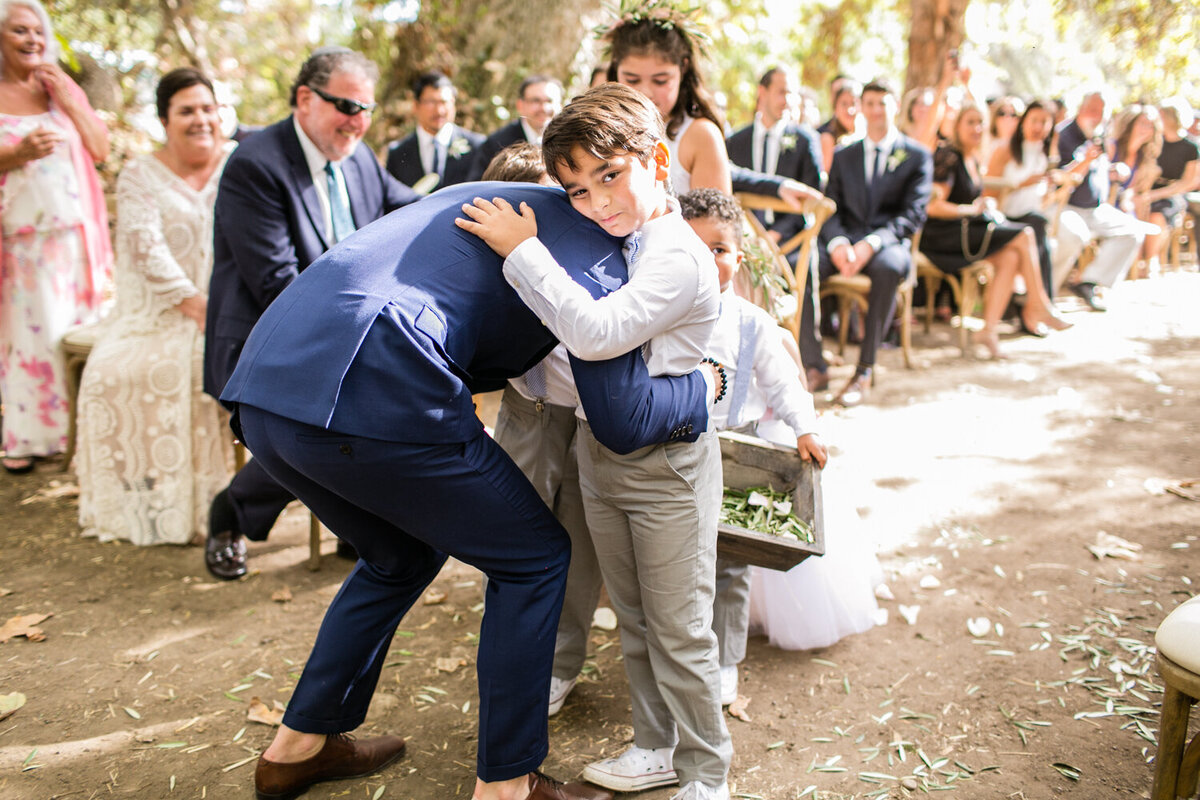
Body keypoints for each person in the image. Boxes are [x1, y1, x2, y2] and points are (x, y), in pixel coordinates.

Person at [223, 174, 713, 800]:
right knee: (535, 557)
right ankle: (508, 782)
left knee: (398, 556)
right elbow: (620, 420)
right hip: (380, 386)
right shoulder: (597, 245)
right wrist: (707, 385)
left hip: (266, 390)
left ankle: (298, 747)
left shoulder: (474, 194)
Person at [460, 84, 731, 800]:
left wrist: (523, 251)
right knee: (637, 621)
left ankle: (708, 774)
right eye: (577, 191)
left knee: (680, 628)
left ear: (658, 159)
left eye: (610, 176)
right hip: (600, 455)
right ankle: (655, 745)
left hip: (667, 466)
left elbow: (597, 331)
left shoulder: (674, 252)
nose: (597, 202)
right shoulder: (625, 235)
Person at [202, 47, 419, 580]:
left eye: (367, 110)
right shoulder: (254, 165)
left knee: (390, 391)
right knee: (353, 405)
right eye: (348, 106)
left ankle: (353, 516)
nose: (359, 122)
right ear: (305, 98)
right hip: (267, 337)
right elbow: (279, 284)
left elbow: (413, 208)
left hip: (341, 329)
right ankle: (232, 509)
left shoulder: (361, 156)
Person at [676, 188, 828, 703]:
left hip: (733, 455)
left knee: (729, 564)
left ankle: (724, 662)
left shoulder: (752, 324)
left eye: (718, 249)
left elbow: (786, 385)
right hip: (672, 451)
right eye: (692, 248)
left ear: (737, 258)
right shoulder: (657, 312)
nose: (706, 259)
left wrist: (804, 428)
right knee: (676, 561)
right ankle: (679, 650)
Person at [76, 68, 234, 546]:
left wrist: (222, 312)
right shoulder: (140, 174)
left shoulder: (240, 163)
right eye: (186, 111)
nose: (200, 119)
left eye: (207, 108)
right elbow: (146, 248)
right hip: (160, 313)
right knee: (110, 376)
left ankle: (222, 509)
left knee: (204, 366)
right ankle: (146, 503)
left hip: (231, 309)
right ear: (165, 119)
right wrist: (195, 306)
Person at [0, 0, 111, 474]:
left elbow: (101, 150)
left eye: (38, 32)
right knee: (29, 339)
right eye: (20, 31)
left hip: (76, 237)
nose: (32, 40)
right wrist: (17, 153)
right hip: (20, 243)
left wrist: (68, 99)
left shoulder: (57, 91)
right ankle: (28, 437)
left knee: (79, 329)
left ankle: (84, 432)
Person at [920, 100, 1070, 358]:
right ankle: (1038, 304)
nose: (977, 128)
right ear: (957, 126)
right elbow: (933, 207)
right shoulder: (949, 155)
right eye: (970, 122)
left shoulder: (973, 159)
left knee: (1011, 257)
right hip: (941, 236)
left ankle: (988, 330)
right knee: (1024, 234)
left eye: (980, 123)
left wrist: (981, 205)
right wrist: (970, 210)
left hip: (964, 232)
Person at [815, 79, 932, 405]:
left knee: (888, 268)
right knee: (806, 261)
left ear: (895, 106)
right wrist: (838, 243)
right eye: (869, 103)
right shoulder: (843, 154)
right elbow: (831, 206)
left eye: (883, 103)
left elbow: (913, 215)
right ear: (861, 108)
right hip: (845, 241)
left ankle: (864, 369)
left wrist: (872, 244)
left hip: (888, 244)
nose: (876, 110)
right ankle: (811, 363)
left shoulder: (917, 156)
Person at [725, 66, 826, 389]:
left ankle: (811, 362)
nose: (789, 99)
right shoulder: (734, 140)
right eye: (782, 91)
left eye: (793, 92)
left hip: (791, 238)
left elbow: (811, 198)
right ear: (762, 92)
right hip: (744, 239)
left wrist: (777, 235)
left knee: (805, 269)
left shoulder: (804, 139)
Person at [1054, 90, 1144, 311]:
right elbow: (1059, 176)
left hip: (1096, 209)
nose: (1097, 115)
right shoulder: (1063, 135)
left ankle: (1089, 281)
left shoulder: (1098, 134)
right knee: (1076, 236)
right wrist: (1085, 161)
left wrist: (1113, 170)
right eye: (1093, 109)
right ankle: (1046, 291)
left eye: (1101, 111)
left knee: (1133, 231)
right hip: (1065, 207)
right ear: (1081, 108)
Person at [985, 99, 1062, 296]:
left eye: (1045, 122)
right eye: (1034, 120)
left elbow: (1042, 202)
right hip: (1006, 216)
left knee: (1040, 228)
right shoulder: (1005, 150)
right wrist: (1021, 184)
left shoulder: (1046, 156)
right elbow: (989, 190)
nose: (1039, 127)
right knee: (1037, 226)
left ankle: (1035, 302)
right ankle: (1042, 302)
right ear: (1024, 121)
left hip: (1033, 217)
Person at [385, 70, 483, 191]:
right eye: (431, 103)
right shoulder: (397, 153)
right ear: (416, 105)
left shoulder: (477, 146)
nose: (439, 111)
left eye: (444, 102)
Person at [469, 75, 563, 180]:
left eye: (549, 101)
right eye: (536, 101)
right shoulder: (496, 144)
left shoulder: (567, 140)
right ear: (520, 105)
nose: (544, 108)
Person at [1142, 99, 1200, 269]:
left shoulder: (1190, 147)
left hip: (1173, 193)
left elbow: (1187, 182)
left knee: (1156, 214)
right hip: (1149, 188)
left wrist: (1155, 195)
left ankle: (1150, 260)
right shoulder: (1154, 141)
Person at [819, 78, 861, 172]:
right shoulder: (827, 138)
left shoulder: (866, 134)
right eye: (844, 104)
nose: (850, 110)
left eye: (854, 103)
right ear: (835, 107)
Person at [987, 95, 1024, 161]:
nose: (1007, 118)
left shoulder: (1023, 147)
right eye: (1002, 113)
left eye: (1013, 114)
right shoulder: (984, 143)